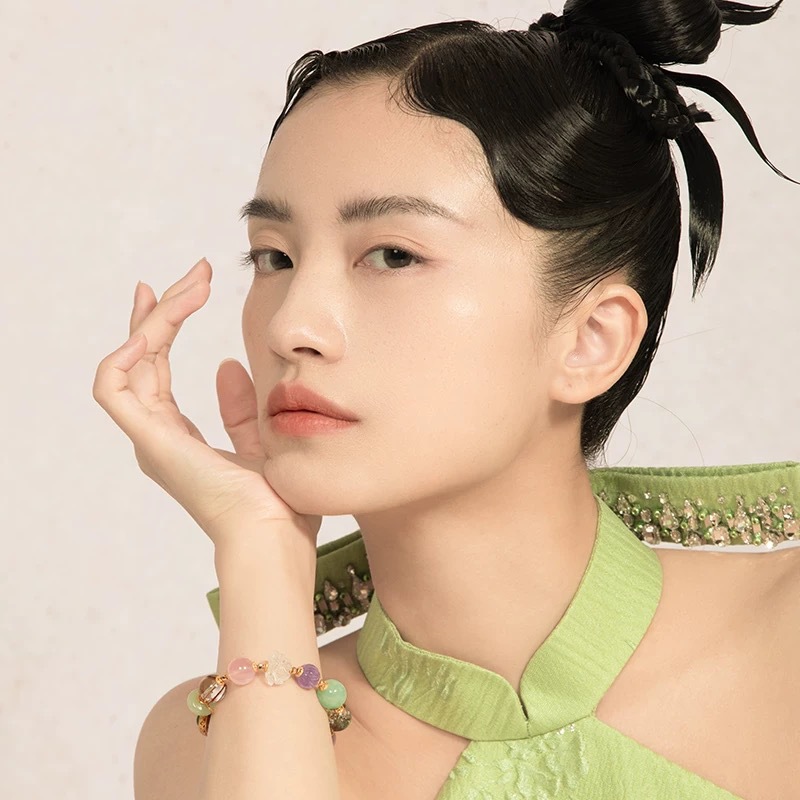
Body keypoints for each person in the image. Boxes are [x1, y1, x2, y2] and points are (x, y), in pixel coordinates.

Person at [92, 0, 800, 797]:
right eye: (275, 257)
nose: (292, 326)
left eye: (392, 254)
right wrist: (262, 551)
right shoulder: (213, 741)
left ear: (591, 340)